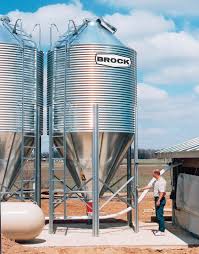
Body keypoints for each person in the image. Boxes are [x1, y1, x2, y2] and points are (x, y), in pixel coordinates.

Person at [138, 169, 166, 236]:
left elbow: (162, 192)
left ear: (156, 174)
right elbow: (150, 186)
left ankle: (162, 231)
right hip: (157, 198)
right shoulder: (156, 181)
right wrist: (140, 189)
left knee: (159, 215)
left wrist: (159, 200)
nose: (152, 175)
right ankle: (160, 230)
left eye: (153, 174)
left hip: (160, 199)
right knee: (158, 215)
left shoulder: (162, 181)